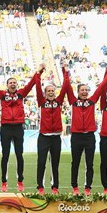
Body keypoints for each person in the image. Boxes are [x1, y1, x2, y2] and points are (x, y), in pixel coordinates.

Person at [0, 64, 44, 192]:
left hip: (18, 128)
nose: (13, 84)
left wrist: (39, 72)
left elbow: (31, 84)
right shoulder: (2, 95)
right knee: (5, 155)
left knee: (19, 155)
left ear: (16, 85)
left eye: (14, 82)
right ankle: (4, 182)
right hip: (5, 128)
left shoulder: (21, 94)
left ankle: (20, 180)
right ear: (7, 85)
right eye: (10, 82)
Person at [65, 66, 107, 195]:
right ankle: (75, 187)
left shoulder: (92, 101)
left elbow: (101, 87)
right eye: (82, 90)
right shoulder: (73, 101)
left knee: (89, 163)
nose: (84, 92)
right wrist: (65, 73)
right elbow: (67, 87)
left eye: (86, 90)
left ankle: (87, 187)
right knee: (75, 162)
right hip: (76, 137)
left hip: (90, 137)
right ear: (78, 92)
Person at [35, 65, 69, 195]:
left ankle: (55, 187)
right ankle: (40, 187)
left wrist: (65, 72)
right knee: (41, 162)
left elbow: (65, 87)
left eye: (52, 91)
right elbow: (37, 87)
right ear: (45, 93)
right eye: (48, 91)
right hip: (44, 137)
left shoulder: (58, 102)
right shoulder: (41, 102)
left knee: (55, 163)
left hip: (56, 137)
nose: (50, 93)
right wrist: (40, 72)